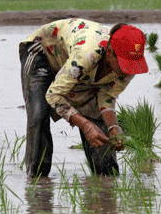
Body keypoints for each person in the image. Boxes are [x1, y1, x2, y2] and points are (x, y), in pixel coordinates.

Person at [19, 19, 149, 177]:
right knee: (39, 116)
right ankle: (37, 181)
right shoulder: (87, 54)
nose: (128, 72)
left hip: (75, 64)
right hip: (43, 51)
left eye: (132, 65)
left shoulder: (128, 67)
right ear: (109, 52)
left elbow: (106, 96)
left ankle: (106, 182)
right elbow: (53, 94)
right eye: (124, 64)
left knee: (98, 127)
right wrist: (85, 126)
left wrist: (113, 127)